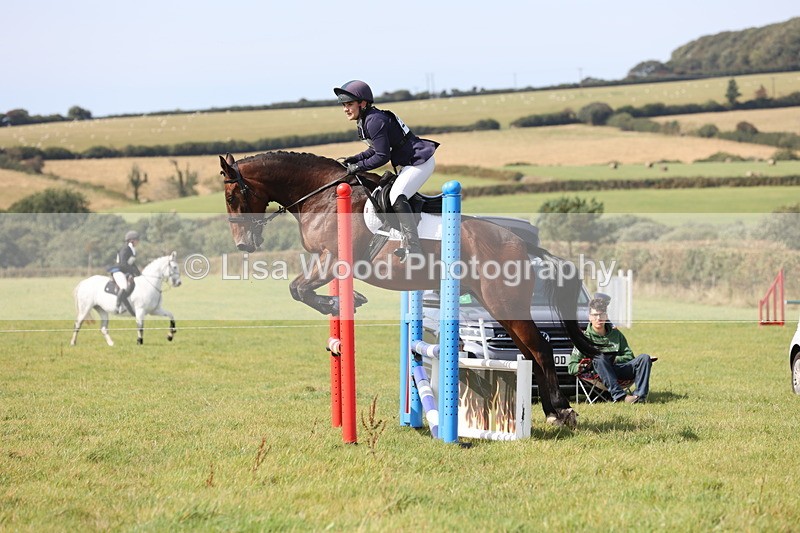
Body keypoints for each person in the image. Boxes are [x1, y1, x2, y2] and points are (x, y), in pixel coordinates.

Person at [334, 80, 438, 260]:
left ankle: (414, 248)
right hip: (408, 163)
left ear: (363, 103)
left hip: (419, 161)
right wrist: (356, 158)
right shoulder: (368, 119)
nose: (345, 109)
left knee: (396, 195)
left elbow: (381, 156)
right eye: (344, 105)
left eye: (349, 104)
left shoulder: (374, 120)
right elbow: (374, 149)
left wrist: (358, 167)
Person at [567, 297, 654, 403]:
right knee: (598, 357)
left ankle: (640, 397)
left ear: (606, 316)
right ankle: (620, 396)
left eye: (601, 315)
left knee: (644, 358)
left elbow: (629, 356)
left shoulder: (616, 334)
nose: (598, 318)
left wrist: (615, 359)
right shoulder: (584, 339)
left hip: (619, 369)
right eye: (595, 315)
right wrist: (584, 365)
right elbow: (571, 367)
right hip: (598, 374)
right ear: (590, 317)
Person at [108, 230, 141, 315]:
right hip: (118, 271)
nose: (138, 242)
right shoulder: (125, 249)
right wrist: (132, 271)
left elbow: (132, 264)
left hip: (124, 271)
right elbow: (123, 264)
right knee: (124, 286)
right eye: (137, 240)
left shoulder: (132, 250)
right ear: (132, 241)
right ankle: (118, 306)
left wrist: (139, 274)